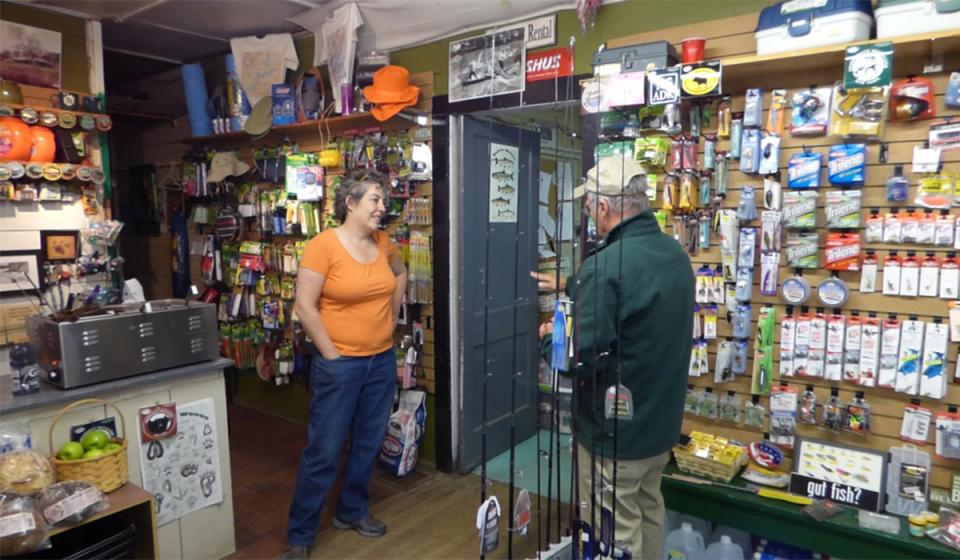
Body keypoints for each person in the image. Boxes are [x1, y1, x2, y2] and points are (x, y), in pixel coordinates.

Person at [534, 157, 694, 559]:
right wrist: (575, 282)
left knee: (615, 534)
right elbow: (634, 297)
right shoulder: (674, 255)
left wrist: (549, 338)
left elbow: (575, 357)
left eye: (588, 206)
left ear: (603, 208)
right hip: (659, 429)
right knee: (649, 510)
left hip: (614, 437)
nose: (589, 214)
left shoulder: (604, 268)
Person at [283, 170, 407, 559]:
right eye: (374, 199)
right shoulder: (323, 246)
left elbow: (401, 275)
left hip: (381, 361)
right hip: (340, 366)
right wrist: (332, 354)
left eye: (383, 200)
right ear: (350, 204)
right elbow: (304, 306)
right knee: (324, 450)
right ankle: (300, 536)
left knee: (367, 444)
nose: (382, 206)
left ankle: (351, 512)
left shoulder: (383, 243)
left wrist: (391, 316)